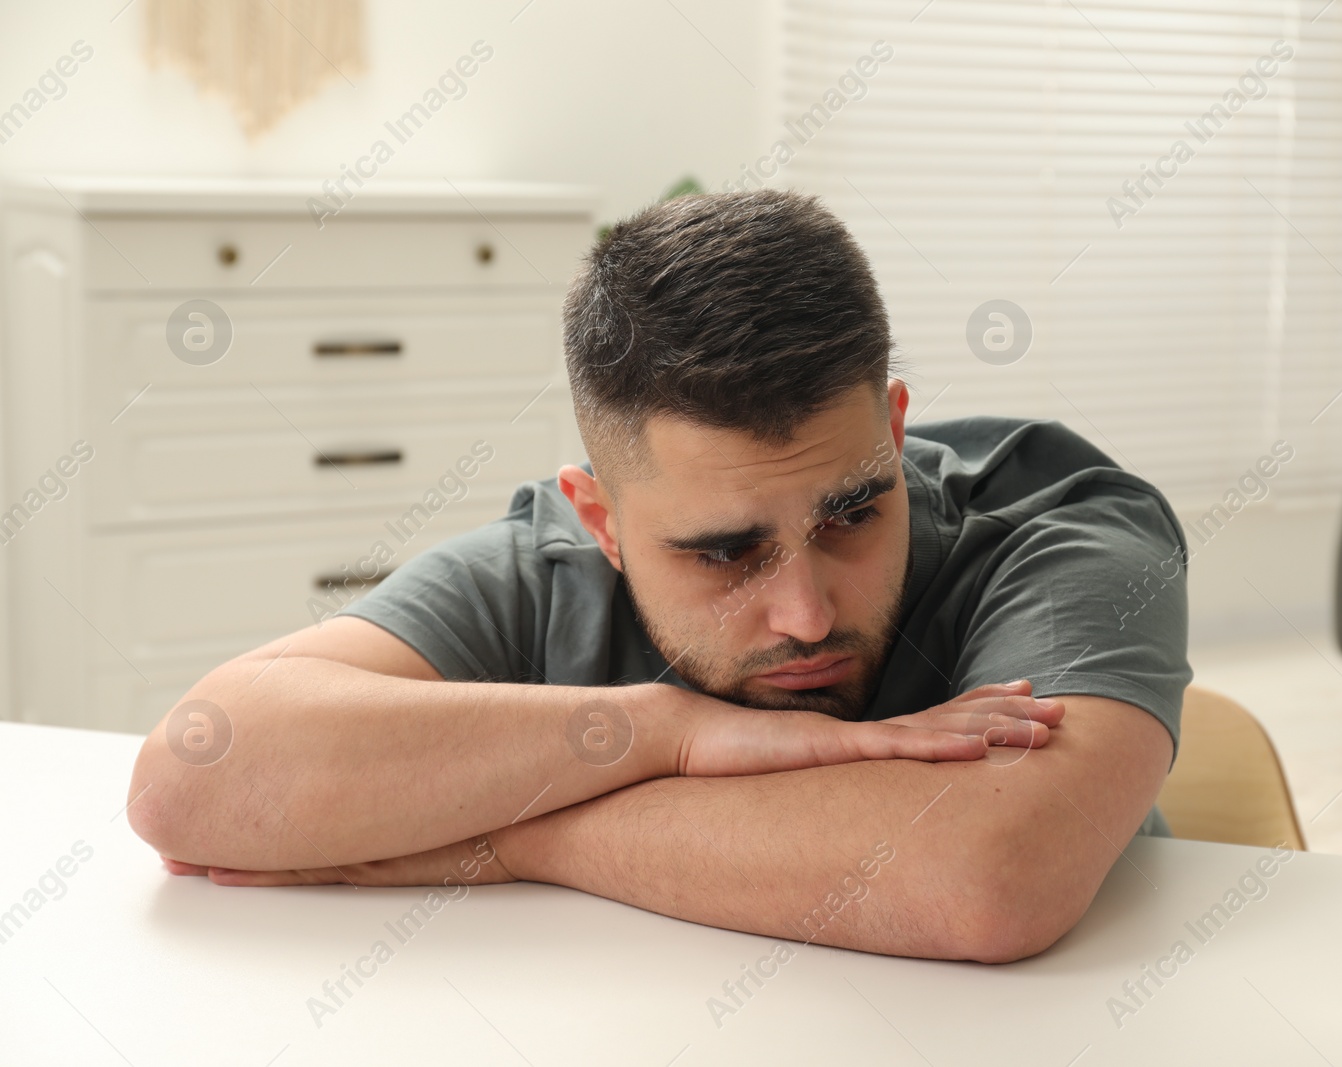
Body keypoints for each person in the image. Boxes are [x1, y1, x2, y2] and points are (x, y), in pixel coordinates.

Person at [128, 189, 1192, 963]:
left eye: (854, 512)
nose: (805, 611)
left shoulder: (1063, 525)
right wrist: (669, 728)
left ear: (893, 428)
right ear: (604, 518)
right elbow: (191, 774)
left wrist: (503, 832)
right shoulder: (547, 564)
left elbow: (988, 880)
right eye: (722, 552)